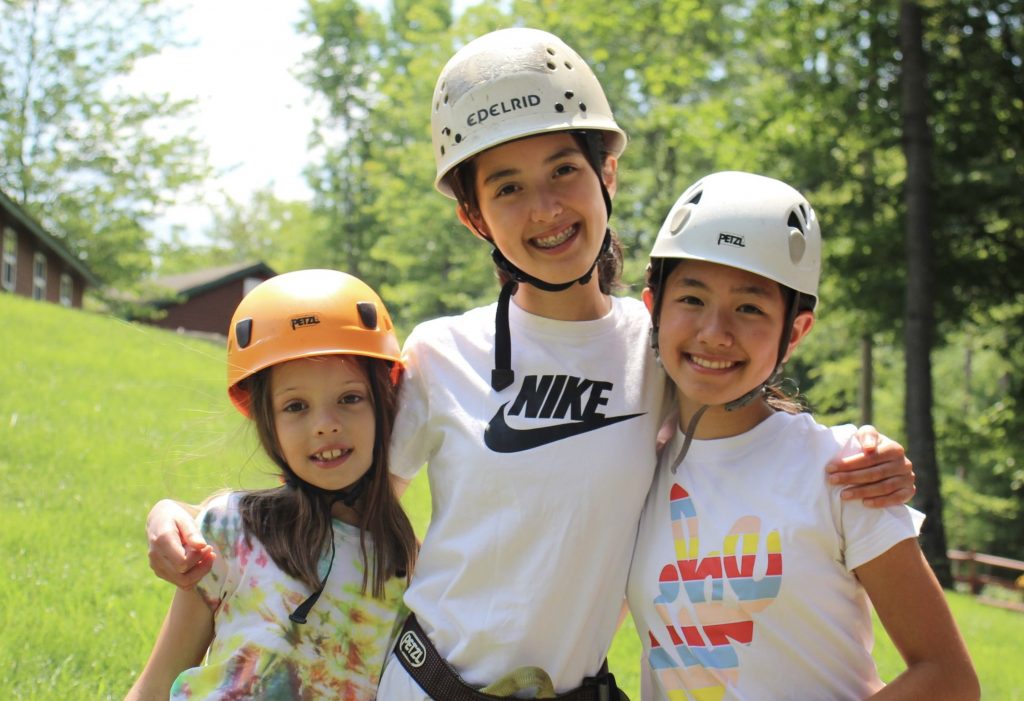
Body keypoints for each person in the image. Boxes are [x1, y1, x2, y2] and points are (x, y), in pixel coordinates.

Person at [145, 29, 916, 700]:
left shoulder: (657, 349)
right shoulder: (441, 353)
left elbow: (745, 405)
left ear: (607, 174)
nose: (544, 208)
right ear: (473, 215)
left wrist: (860, 453)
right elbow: (339, 503)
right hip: (426, 683)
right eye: (508, 187)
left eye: (563, 171)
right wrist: (190, 518)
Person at [626, 171, 979, 700]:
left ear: (795, 332)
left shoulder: (845, 471)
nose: (715, 333)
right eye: (692, 299)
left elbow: (948, 678)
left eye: (749, 308)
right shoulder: (630, 468)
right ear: (653, 307)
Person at [126, 269, 417, 701]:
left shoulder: (407, 568)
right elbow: (156, 683)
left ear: (384, 405)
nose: (325, 425)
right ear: (268, 422)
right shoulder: (229, 532)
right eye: (295, 406)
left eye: (350, 398)